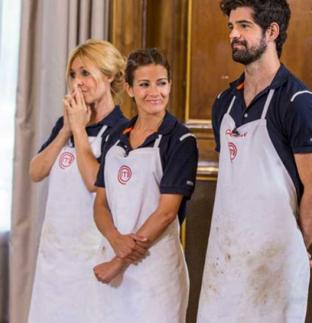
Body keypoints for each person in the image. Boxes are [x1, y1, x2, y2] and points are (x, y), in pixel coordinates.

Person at [197, 0, 312, 322]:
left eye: (244, 26)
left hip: (275, 265)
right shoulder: (223, 103)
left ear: (272, 31)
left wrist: (297, 249)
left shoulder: (298, 103)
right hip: (224, 260)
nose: (234, 34)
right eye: (231, 26)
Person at [91, 48, 198, 323]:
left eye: (161, 83)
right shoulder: (115, 135)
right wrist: (115, 240)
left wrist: (119, 262)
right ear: (128, 89)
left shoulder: (181, 140)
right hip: (112, 265)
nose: (155, 92)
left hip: (156, 275)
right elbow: (100, 203)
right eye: (144, 84)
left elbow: (166, 213)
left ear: (170, 85)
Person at [27, 39, 127, 323]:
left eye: (86, 73)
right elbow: (36, 171)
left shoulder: (121, 129)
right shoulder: (66, 124)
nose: (77, 82)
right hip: (55, 254)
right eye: (73, 74)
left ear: (108, 77)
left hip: (91, 253)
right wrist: (67, 129)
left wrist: (80, 130)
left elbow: (94, 182)